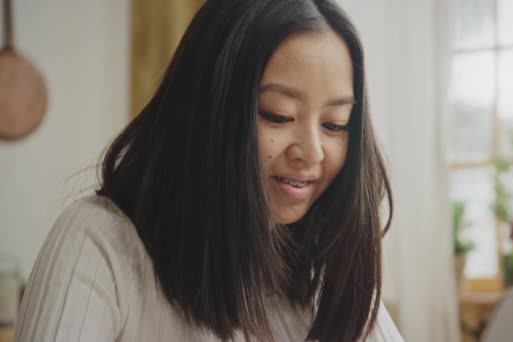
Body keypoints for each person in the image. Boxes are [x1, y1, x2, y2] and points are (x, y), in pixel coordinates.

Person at [15, 0, 402, 341]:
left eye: (335, 124)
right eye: (278, 115)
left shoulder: (323, 269)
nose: (313, 152)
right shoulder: (98, 244)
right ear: (209, 112)